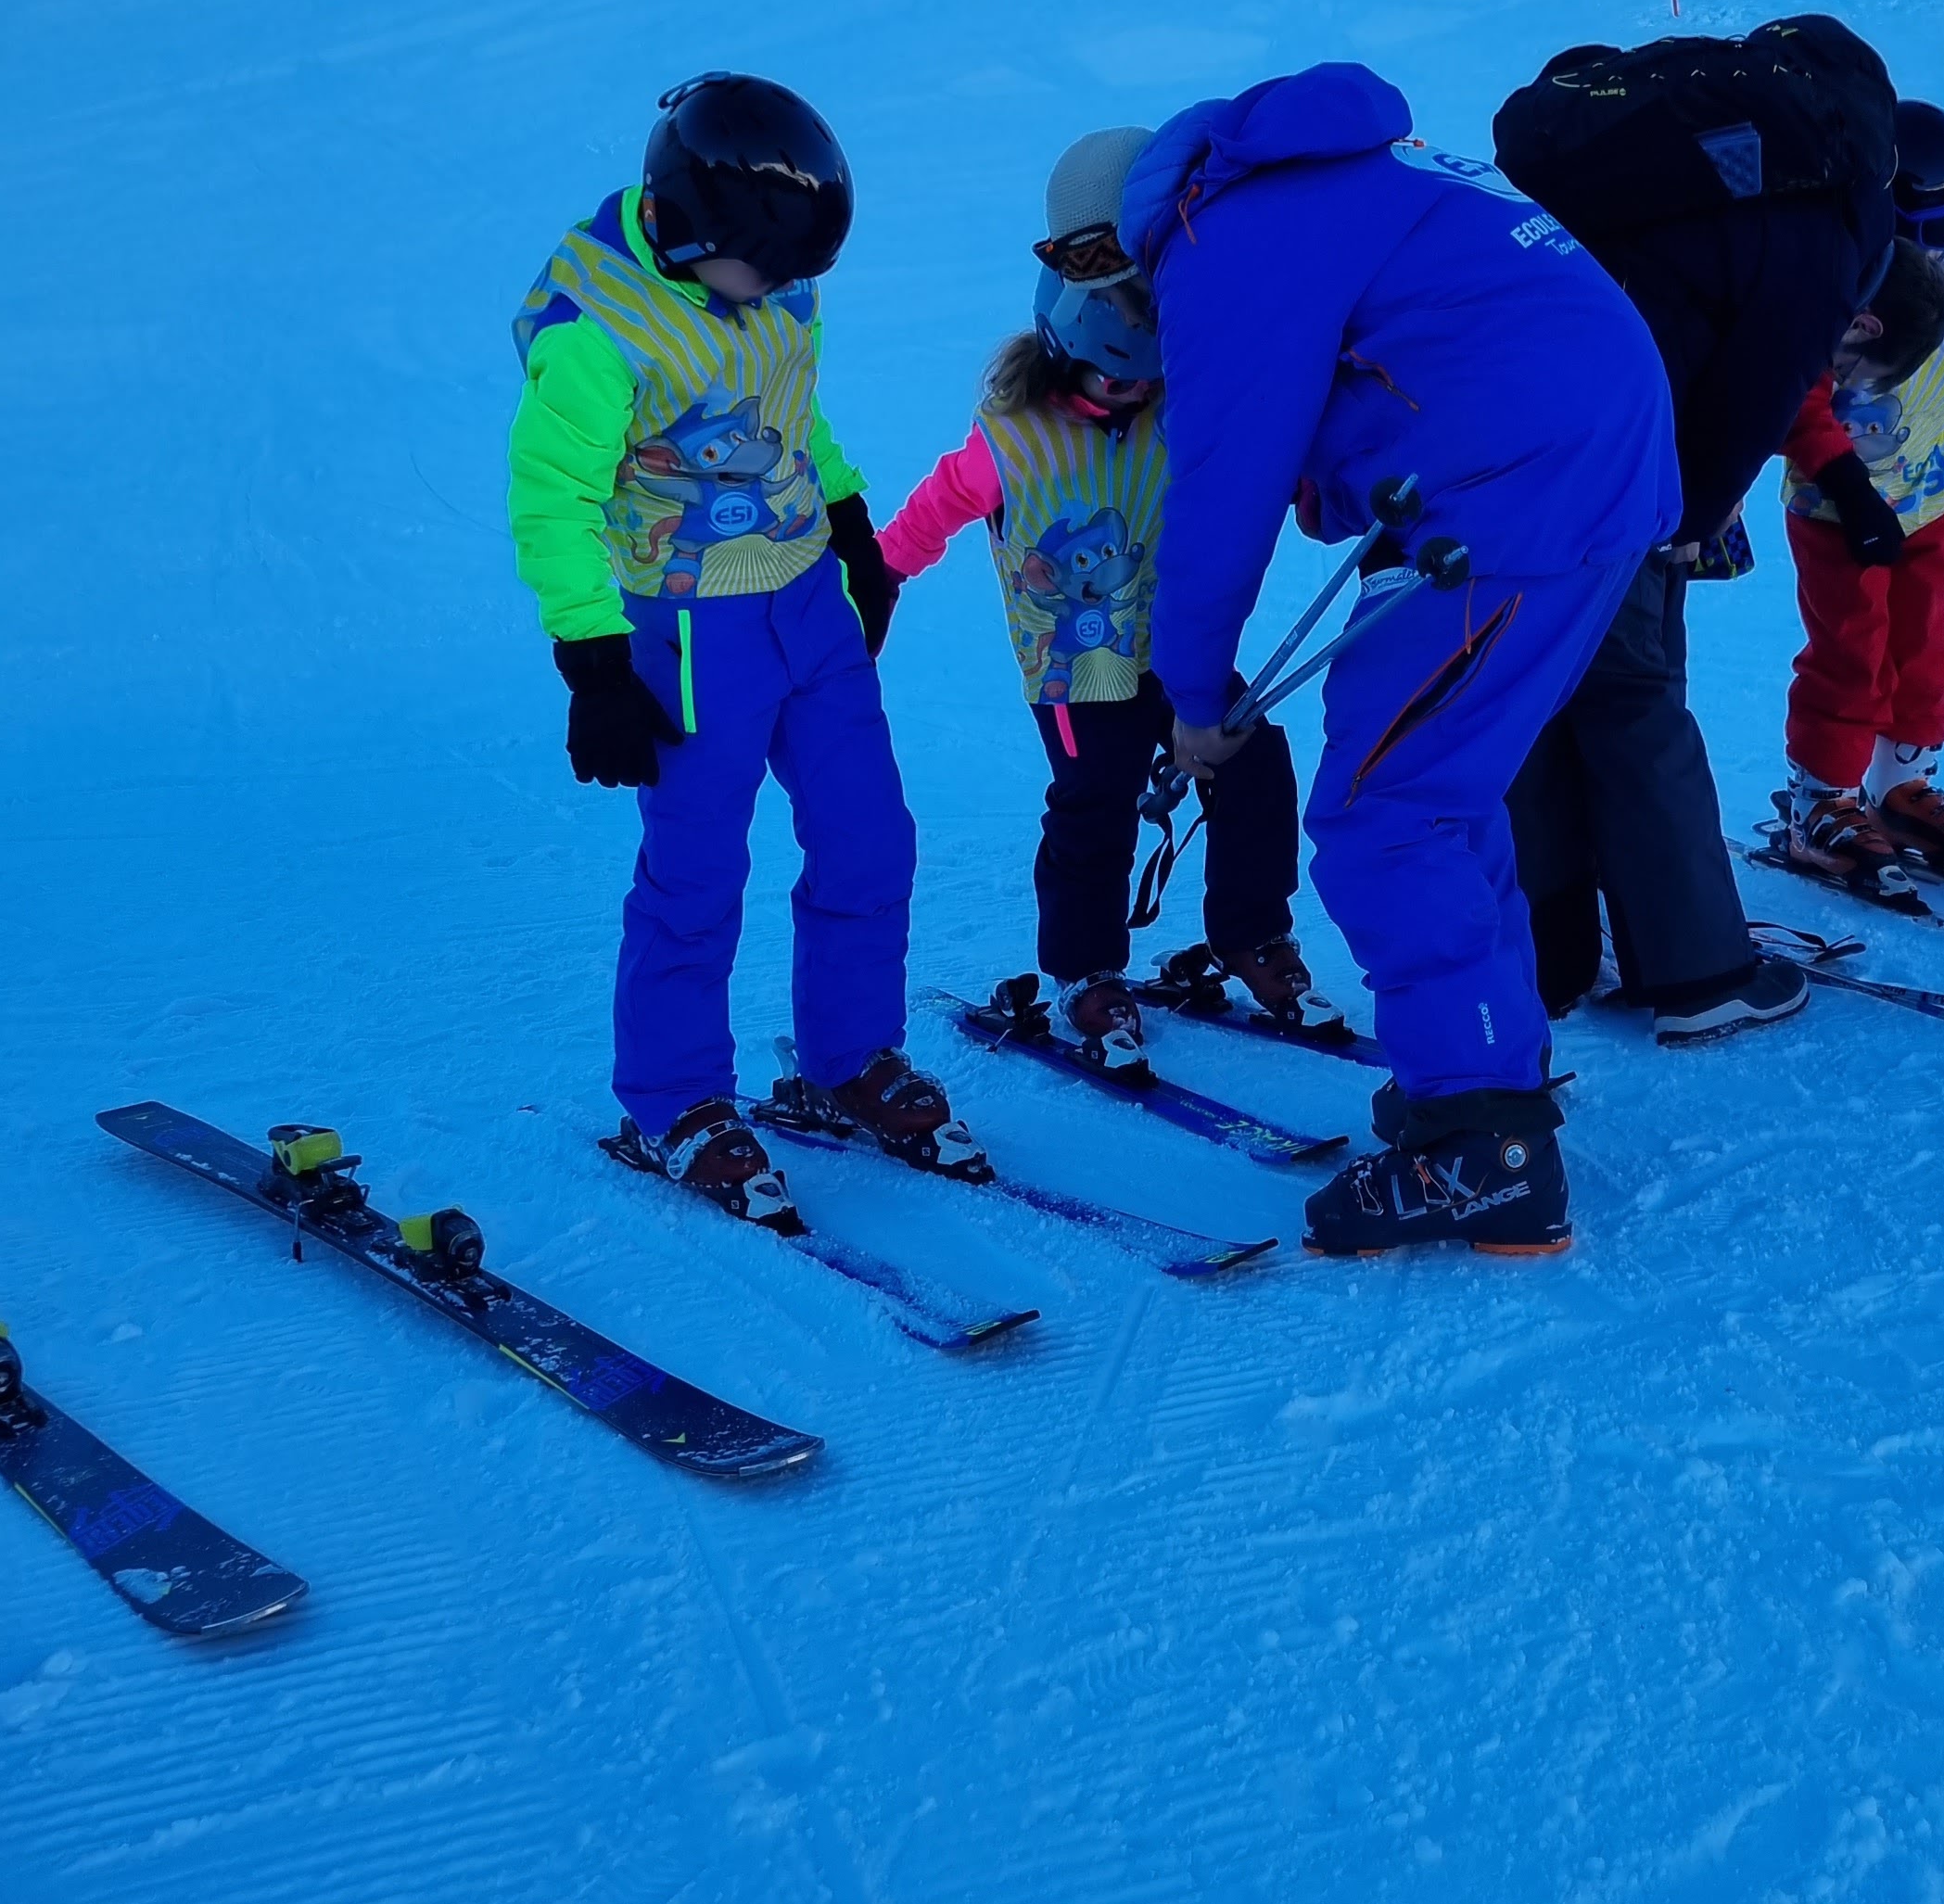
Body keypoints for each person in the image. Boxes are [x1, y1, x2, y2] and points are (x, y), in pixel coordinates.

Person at [1118, 65, 1681, 1261]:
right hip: (1595, 466)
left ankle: (1488, 1143)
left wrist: (1196, 695)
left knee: (1385, 810)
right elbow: (1413, 359)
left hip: (1511, 494)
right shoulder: (1360, 174)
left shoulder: (1219, 241)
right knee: (1441, 791)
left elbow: (1221, 491)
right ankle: (1486, 1063)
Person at [508, 75, 983, 1224]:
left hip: (807, 598)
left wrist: (852, 521)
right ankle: (673, 1101)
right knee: (697, 873)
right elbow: (551, 500)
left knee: (870, 837)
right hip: (685, 629)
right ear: (685, 228)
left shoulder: (774, 276)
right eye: (759, 271)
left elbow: (788, 407)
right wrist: (592, 660)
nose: (776, 291)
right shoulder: (599, 336)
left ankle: (850, 1059)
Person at [874, 129, 1340, 1067]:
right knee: (1097, 798)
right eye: (1115, 376)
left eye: (1148, 376)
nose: (1133, 391)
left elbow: (1246, 464)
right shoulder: (1011, 438)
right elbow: (936, 507)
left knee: (1254, 761)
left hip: (1178, 643)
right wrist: (878, 574)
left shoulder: (1178, 406)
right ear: (1062, 350)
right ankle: (1086, 970)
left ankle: (1253, 931)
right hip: (1075, 665)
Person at [1490, 17, 1898, 1043]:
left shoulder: (1662, 175)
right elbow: (1763, 386)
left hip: (1506, 445)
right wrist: (1694, 514)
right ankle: (1697, 972)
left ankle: (1545, 953)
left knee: (1539, 692)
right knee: (1633, 699)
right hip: (1613, 465)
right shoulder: (1823, 217)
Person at [1770, 103, 1944, 883]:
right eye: (1926, 239)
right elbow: (1798, 405)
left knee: (1926, 650)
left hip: (1929, 507)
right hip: (1839, 514)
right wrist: (1846, 485)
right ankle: (1823, 801)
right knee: (1851, 654)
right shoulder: (1841, 301)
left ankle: (1900, 783)